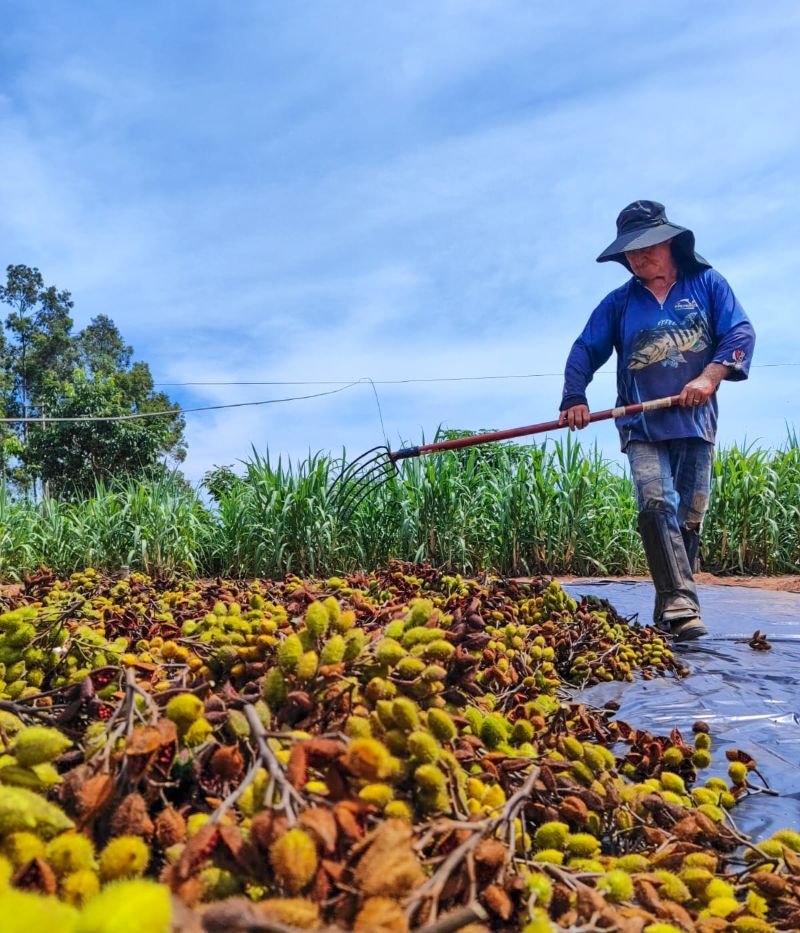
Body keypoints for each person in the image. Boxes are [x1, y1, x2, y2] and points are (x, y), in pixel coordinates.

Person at [559, 200, 755, 641]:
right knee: (656, 503)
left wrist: (710, 375)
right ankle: (682, 605)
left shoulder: (707, 285)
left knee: (688, 515)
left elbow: (740, 333)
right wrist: (574, 396)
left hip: (696, 422)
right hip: (642, 425)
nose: (637, 257)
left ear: (669, 243)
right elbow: (584, 349)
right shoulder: (620, 303)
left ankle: (671, 608)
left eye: (645, 247)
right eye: (629, 252)